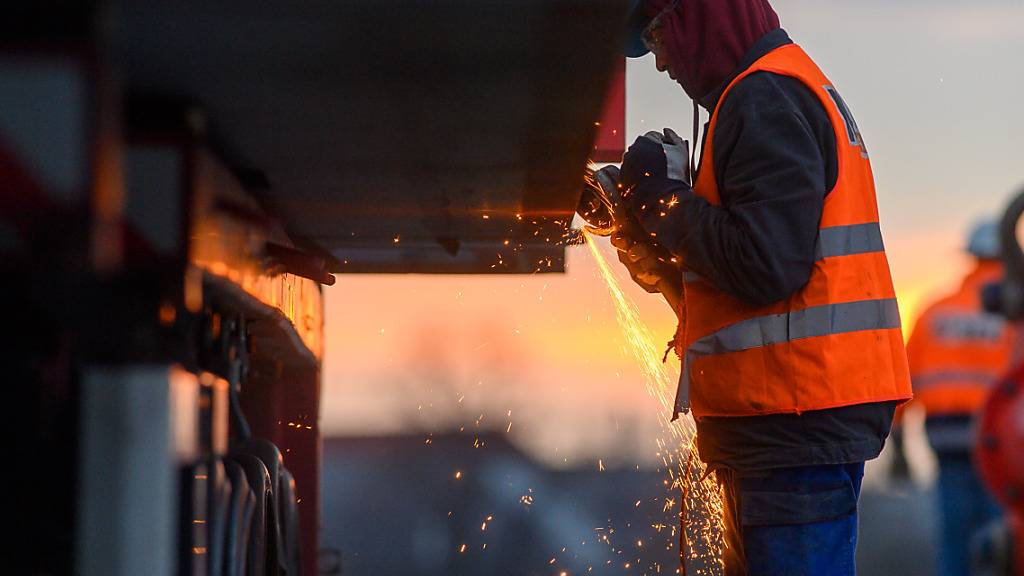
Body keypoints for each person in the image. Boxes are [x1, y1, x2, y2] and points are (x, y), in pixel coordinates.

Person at [604, 0, 913, 573]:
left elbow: (765, 266)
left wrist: (665, 202)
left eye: (655, 36)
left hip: (795, 419)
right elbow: (748, 280)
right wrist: (651, 238)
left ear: (694, 17)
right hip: (791, 416)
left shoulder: (765, 98)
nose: (660, 61)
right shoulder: (769, 92)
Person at [897, 220, 1012, 576]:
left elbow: (903, 379)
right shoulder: (1014, 316)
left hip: (947, 439)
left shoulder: (935, 311)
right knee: (1004, 540)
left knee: (955, 536)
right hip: (1002, 443)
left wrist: (898, 440)